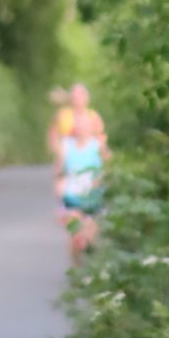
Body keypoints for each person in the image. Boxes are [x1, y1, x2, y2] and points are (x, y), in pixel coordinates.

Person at [55, 104, 107, 261]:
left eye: (84, 125)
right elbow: (59, 172)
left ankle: (93, 268)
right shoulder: (66, 146)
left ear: (90, 127)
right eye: (78, 125)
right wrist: (59, 190)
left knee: (91, 236)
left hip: (94, 197)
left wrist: (102, 182)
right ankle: (77, 268)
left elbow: (109, 169)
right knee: (75, 236)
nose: (81, 128)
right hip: (72, 197)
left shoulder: (98, 145)